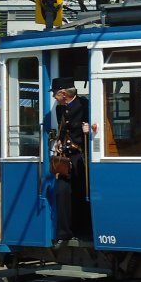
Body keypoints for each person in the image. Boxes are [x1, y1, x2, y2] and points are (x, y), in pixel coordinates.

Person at [50, 77, 92, 244]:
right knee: (62, 192)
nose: (54, 97)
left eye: (55, 94)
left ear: (63, 93)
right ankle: (64, 233)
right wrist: (59, 141)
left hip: (81, 157)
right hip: (66, 158)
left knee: (83, 193)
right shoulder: (60, 109)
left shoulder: (85, 105)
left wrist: (88, 130)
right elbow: (63, 129)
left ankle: (84, 230)